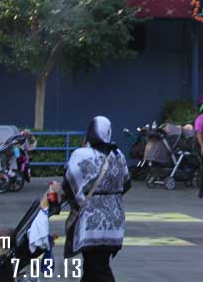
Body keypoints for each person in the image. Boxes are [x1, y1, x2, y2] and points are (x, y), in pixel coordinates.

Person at [62, 116, 131, 282]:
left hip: (92, 221)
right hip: (114, 219)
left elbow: (68, 185)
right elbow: (127, 184)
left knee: (98, 268)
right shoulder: (118, 154)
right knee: (93, 266)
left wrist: (79, 199)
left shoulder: (82, 154)